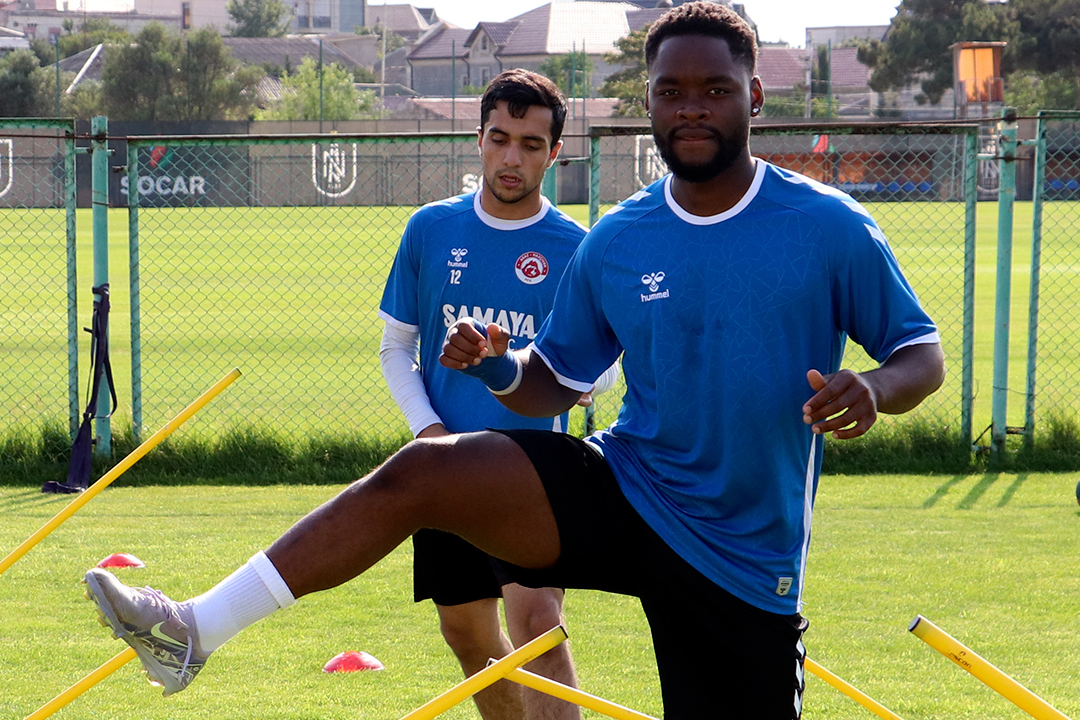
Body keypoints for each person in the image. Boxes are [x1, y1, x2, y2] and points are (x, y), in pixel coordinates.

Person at [83, 4, 946, 718]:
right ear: (646, 100)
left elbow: (922, 353)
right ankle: (191, 630)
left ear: (753, 95)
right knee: (423, 473)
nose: (692, 109)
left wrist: (875, 387)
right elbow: (553, 383)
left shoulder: (827, 225)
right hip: (631, 488)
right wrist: (499, 369)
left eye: (715, 90)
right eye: (670, 91)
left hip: (743, 557)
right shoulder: (619, 238)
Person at [378, 69, 601, 720]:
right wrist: (427, 432)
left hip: (535, 468)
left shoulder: (578, 248)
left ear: (553, 154)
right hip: (444, 466)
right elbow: (397, 347)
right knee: (470, 638)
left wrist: (573, 382)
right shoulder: (430, 229)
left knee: (538, 627)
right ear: (478, 139)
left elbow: (605, 366)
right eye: (499, 138)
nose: (511, 157)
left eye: (531, 145)